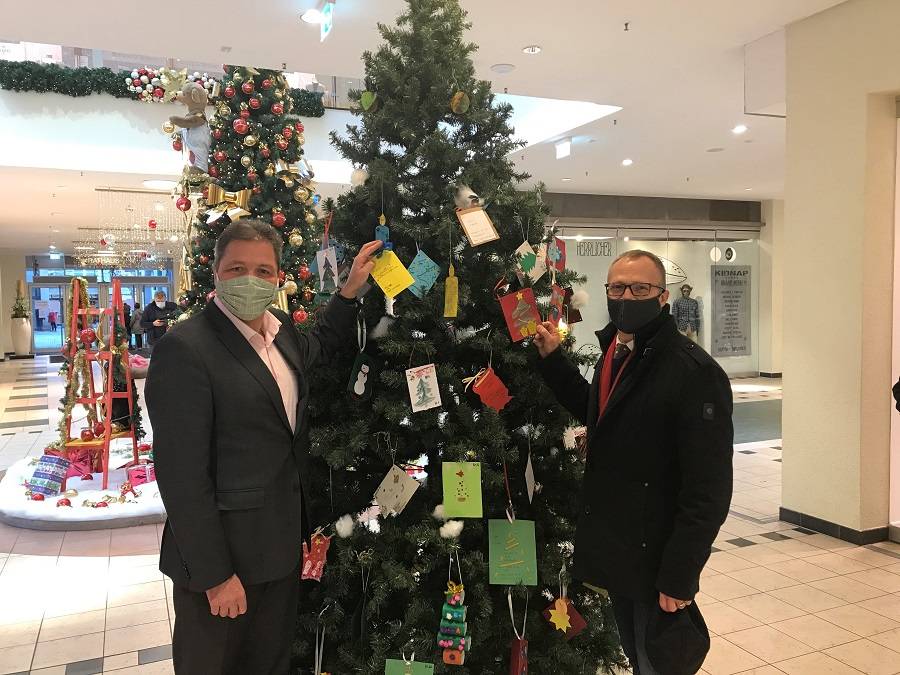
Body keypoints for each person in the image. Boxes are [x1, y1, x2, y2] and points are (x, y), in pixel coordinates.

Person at [146, 219, 382, 675]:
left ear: (278, 278)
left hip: (280, 551)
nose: (250, 280)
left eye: (263, 270)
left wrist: (350, 289)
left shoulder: (281, 332)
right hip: (224, 565)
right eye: (237, 269)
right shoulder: (185, 349)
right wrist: (215, 576)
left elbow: (321, 344)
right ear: (216, 273)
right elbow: (181, 478)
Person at [533, 250, 733, 675]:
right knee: (636, 656)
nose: (626, 297)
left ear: (662, 297)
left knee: (657, 661)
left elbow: (709, 489)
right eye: (618, 288)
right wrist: (553, 359)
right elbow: (598, 415)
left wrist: (680, 575)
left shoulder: (693, 371)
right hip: (620, 551)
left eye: (640, 289)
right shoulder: (616, 353)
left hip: (657, 559)